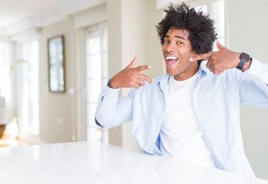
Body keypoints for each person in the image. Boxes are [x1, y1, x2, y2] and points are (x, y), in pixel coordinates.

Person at [95, 3, 268, 177]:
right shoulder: (148, 90)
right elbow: (105, 119)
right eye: (167, 40)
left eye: (179, 42)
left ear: (196, 50)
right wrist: (114, 84)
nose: (169, 47)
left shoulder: (226, 81)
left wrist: (244, 62)